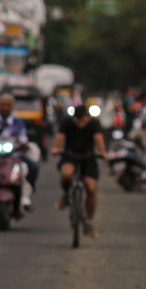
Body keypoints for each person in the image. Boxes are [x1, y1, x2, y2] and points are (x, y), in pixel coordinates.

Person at [53, 98, 105, 234]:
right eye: (78, 119)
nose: (81, 122)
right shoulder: (67, 123)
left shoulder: (94, 124)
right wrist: (56, 148)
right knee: (66, 174)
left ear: (87, 117)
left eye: (83, 119)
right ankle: (65, 195)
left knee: (91, 188)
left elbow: (99, 139)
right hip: (70, 155)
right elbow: (59, 138)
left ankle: (89, 221)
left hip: (89, 158)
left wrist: (103, 152)